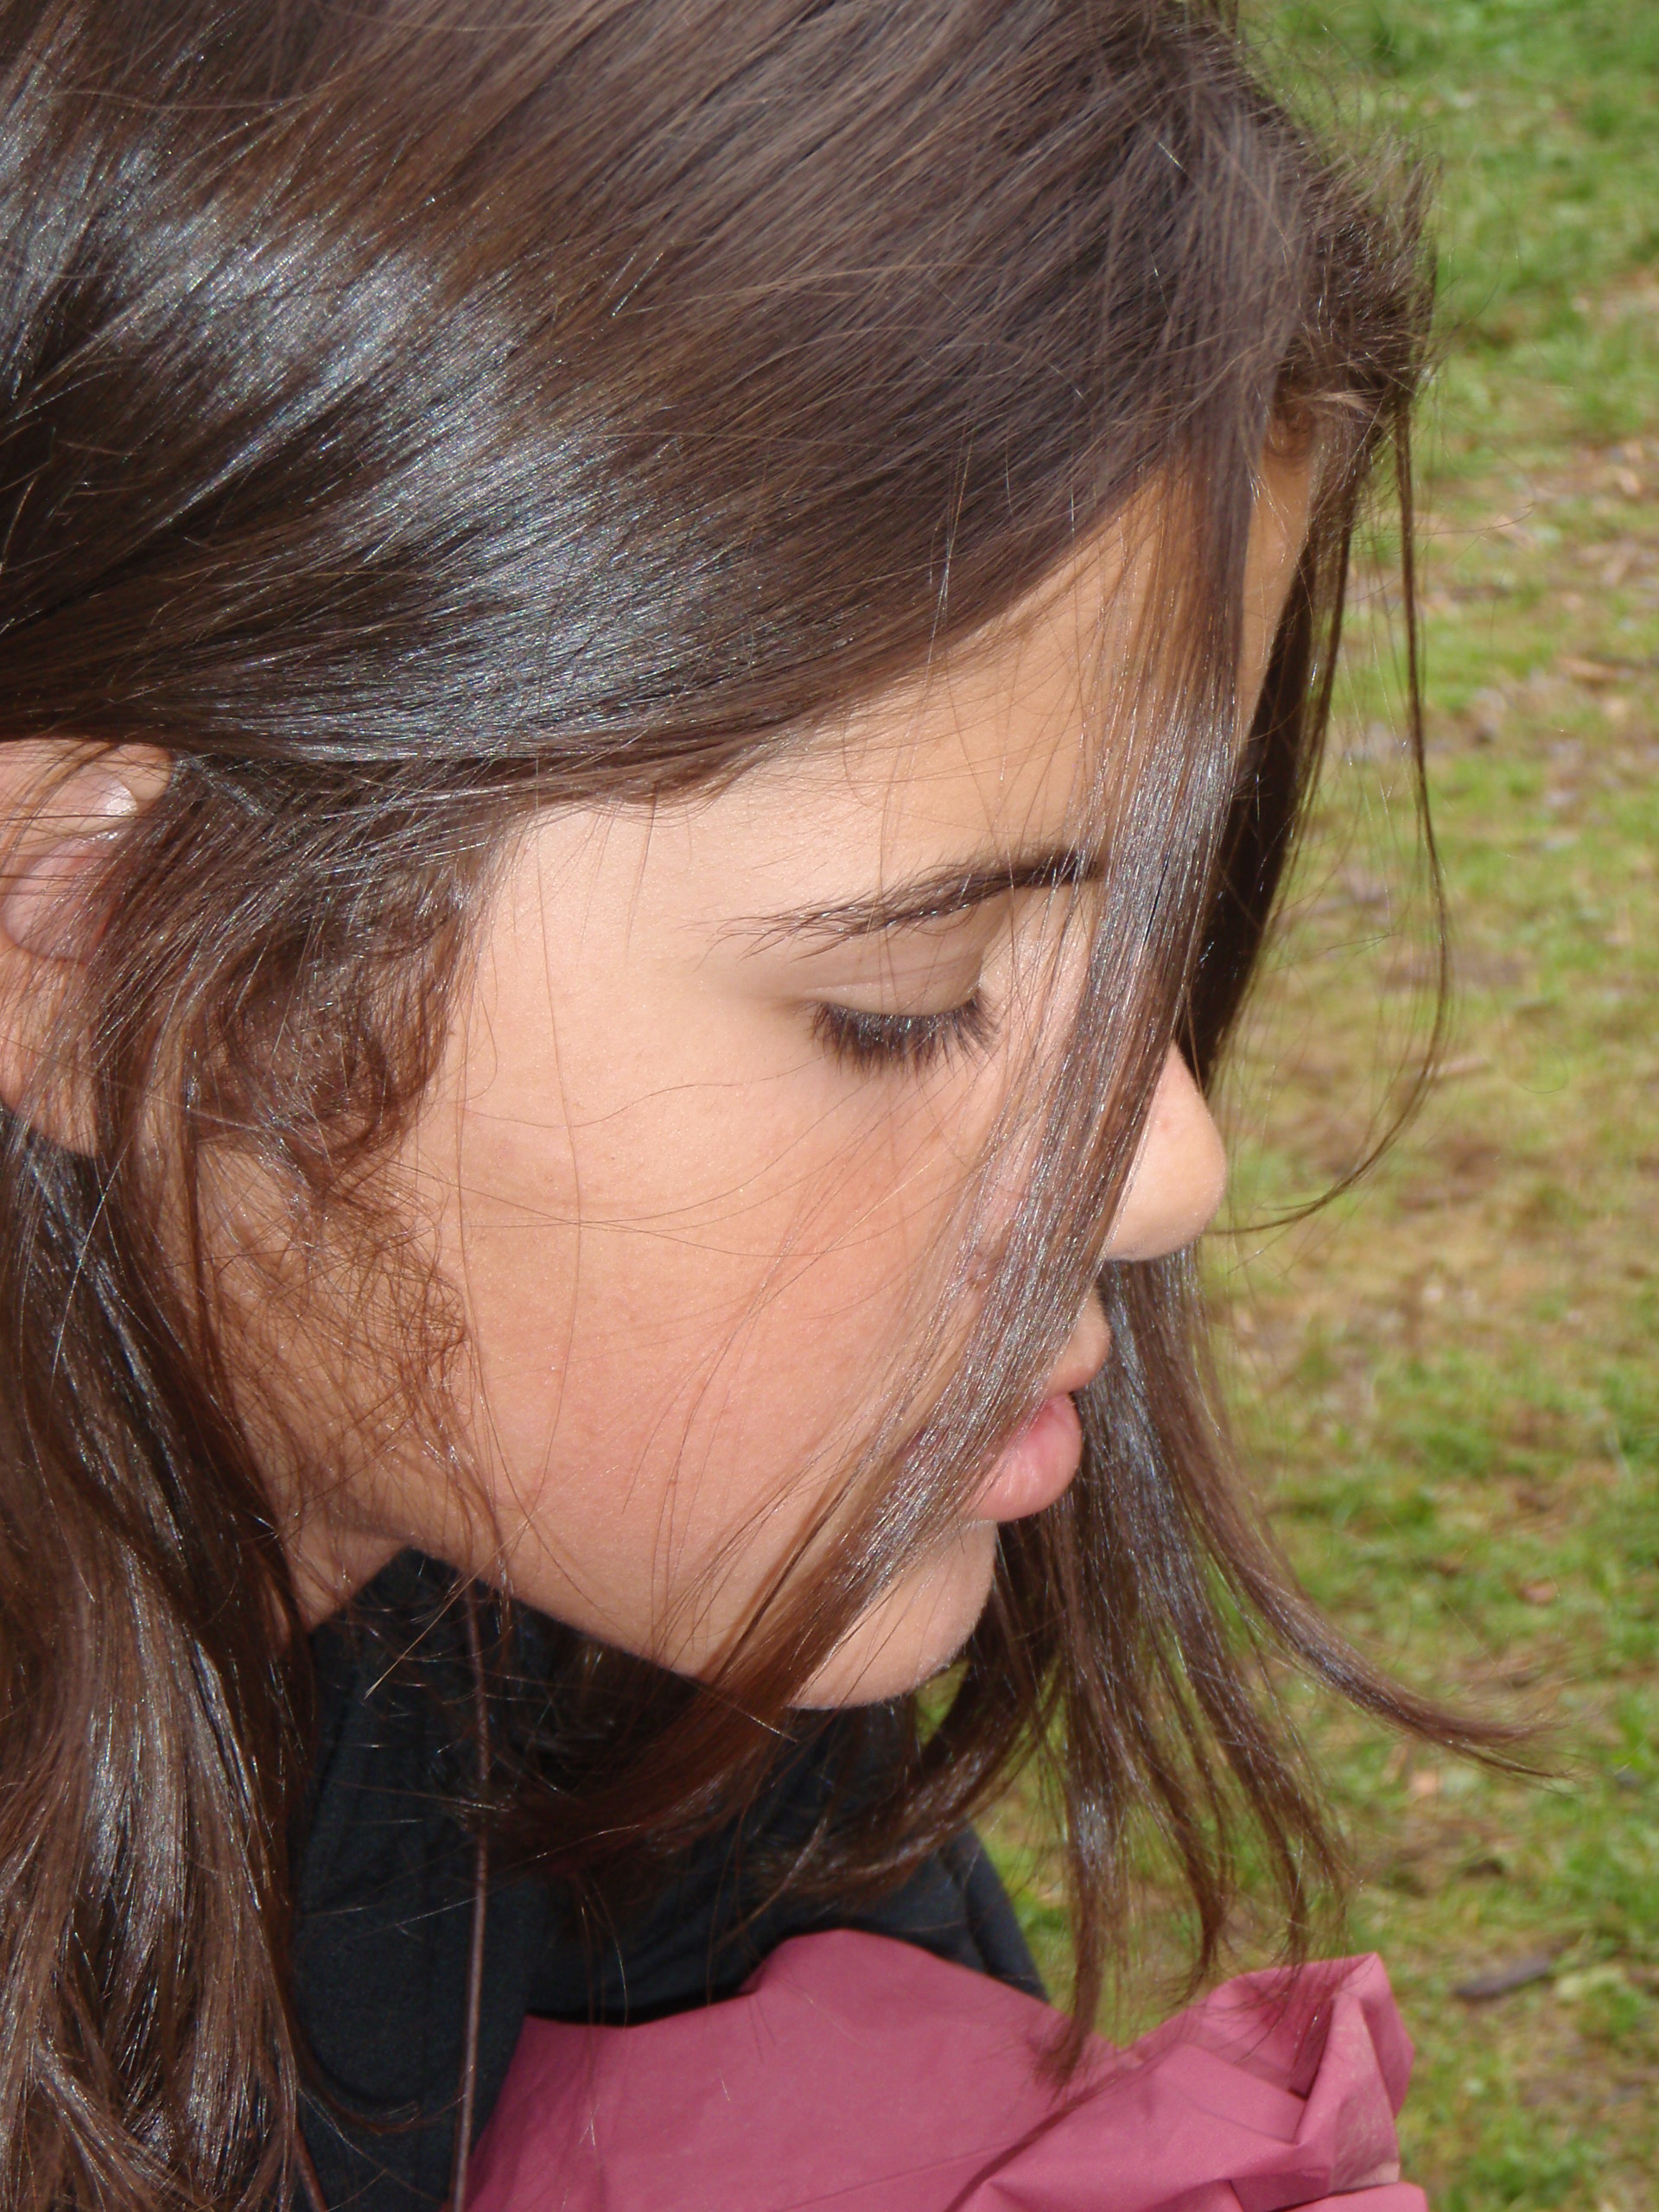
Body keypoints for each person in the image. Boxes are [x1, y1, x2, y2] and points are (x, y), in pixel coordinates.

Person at [0, 3, 1494, 2207]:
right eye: (908, 1000)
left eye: (1149, 940)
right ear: (101, 930)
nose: (1171, 1164)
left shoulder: (609, 1639)